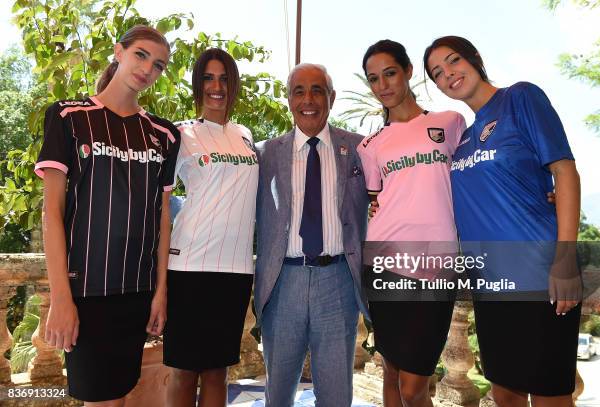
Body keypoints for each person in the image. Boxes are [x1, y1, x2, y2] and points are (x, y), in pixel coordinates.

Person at [424, 36, 581, 407]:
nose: (448, 74)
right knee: (505, 393)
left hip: (539, 275)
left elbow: (566, 172)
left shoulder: (521, 98)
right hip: (490, 282)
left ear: (475, 59)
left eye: (453, 61)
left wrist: (565, 259)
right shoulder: (462, 140)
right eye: (437, 73)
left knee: (549, 397)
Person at [36, 25, 180, 406]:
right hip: (85, 292)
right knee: (99, 399)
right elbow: (52, 213)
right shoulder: (68, 117)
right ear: (119, 52)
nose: (148, 68)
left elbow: (162, 219)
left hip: (136, 293)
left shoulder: (164, 135)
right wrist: (60, 298)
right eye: (141, 55)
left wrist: (160, 292)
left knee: (118, 396)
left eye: (159, 65)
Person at [357, 40, 465, 407]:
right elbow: (375, 201)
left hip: (437, 266)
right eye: (374, 79)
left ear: (407, 72)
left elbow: (478, 173)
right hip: (385, 263)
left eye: (389, 73)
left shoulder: (449, 123)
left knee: (415, 385)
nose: (383, 85)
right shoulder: (370, 145)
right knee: (391, 369)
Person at [254, 63, 369, 407]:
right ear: (289, 99)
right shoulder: (264, 153)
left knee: (336, 397)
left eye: (317, 90)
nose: (308, 99)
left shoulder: (360, 149)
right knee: (278, 396)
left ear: (331, 97)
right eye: (299, 91)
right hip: (282, 284)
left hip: (338, 285)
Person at [162, 48, 258, 407]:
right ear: (197, 84)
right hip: (189, 266)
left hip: (235, 270)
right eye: (208, 77)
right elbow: (161, 203)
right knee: (184, 371)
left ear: (233, 85)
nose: (216, 86)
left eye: (223, 78)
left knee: (218, 371)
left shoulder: (245, 134)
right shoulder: (180, 134)